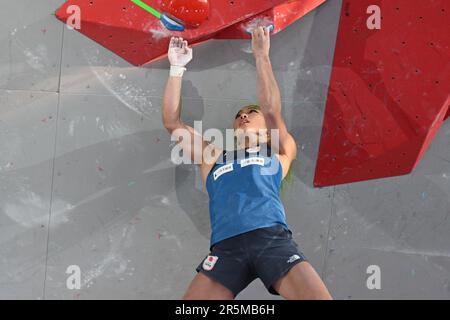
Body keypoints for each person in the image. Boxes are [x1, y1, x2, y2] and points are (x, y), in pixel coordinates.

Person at [162, 26, 332, 300]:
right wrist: (176, 68)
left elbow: (270, 108)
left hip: (272, 242)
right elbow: (172, 123)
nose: (243, 116)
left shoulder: (279, 150)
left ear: (266, 130)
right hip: (226, 251)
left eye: (251, 113)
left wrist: (261, 56)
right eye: (239, 114)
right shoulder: (213, 158)